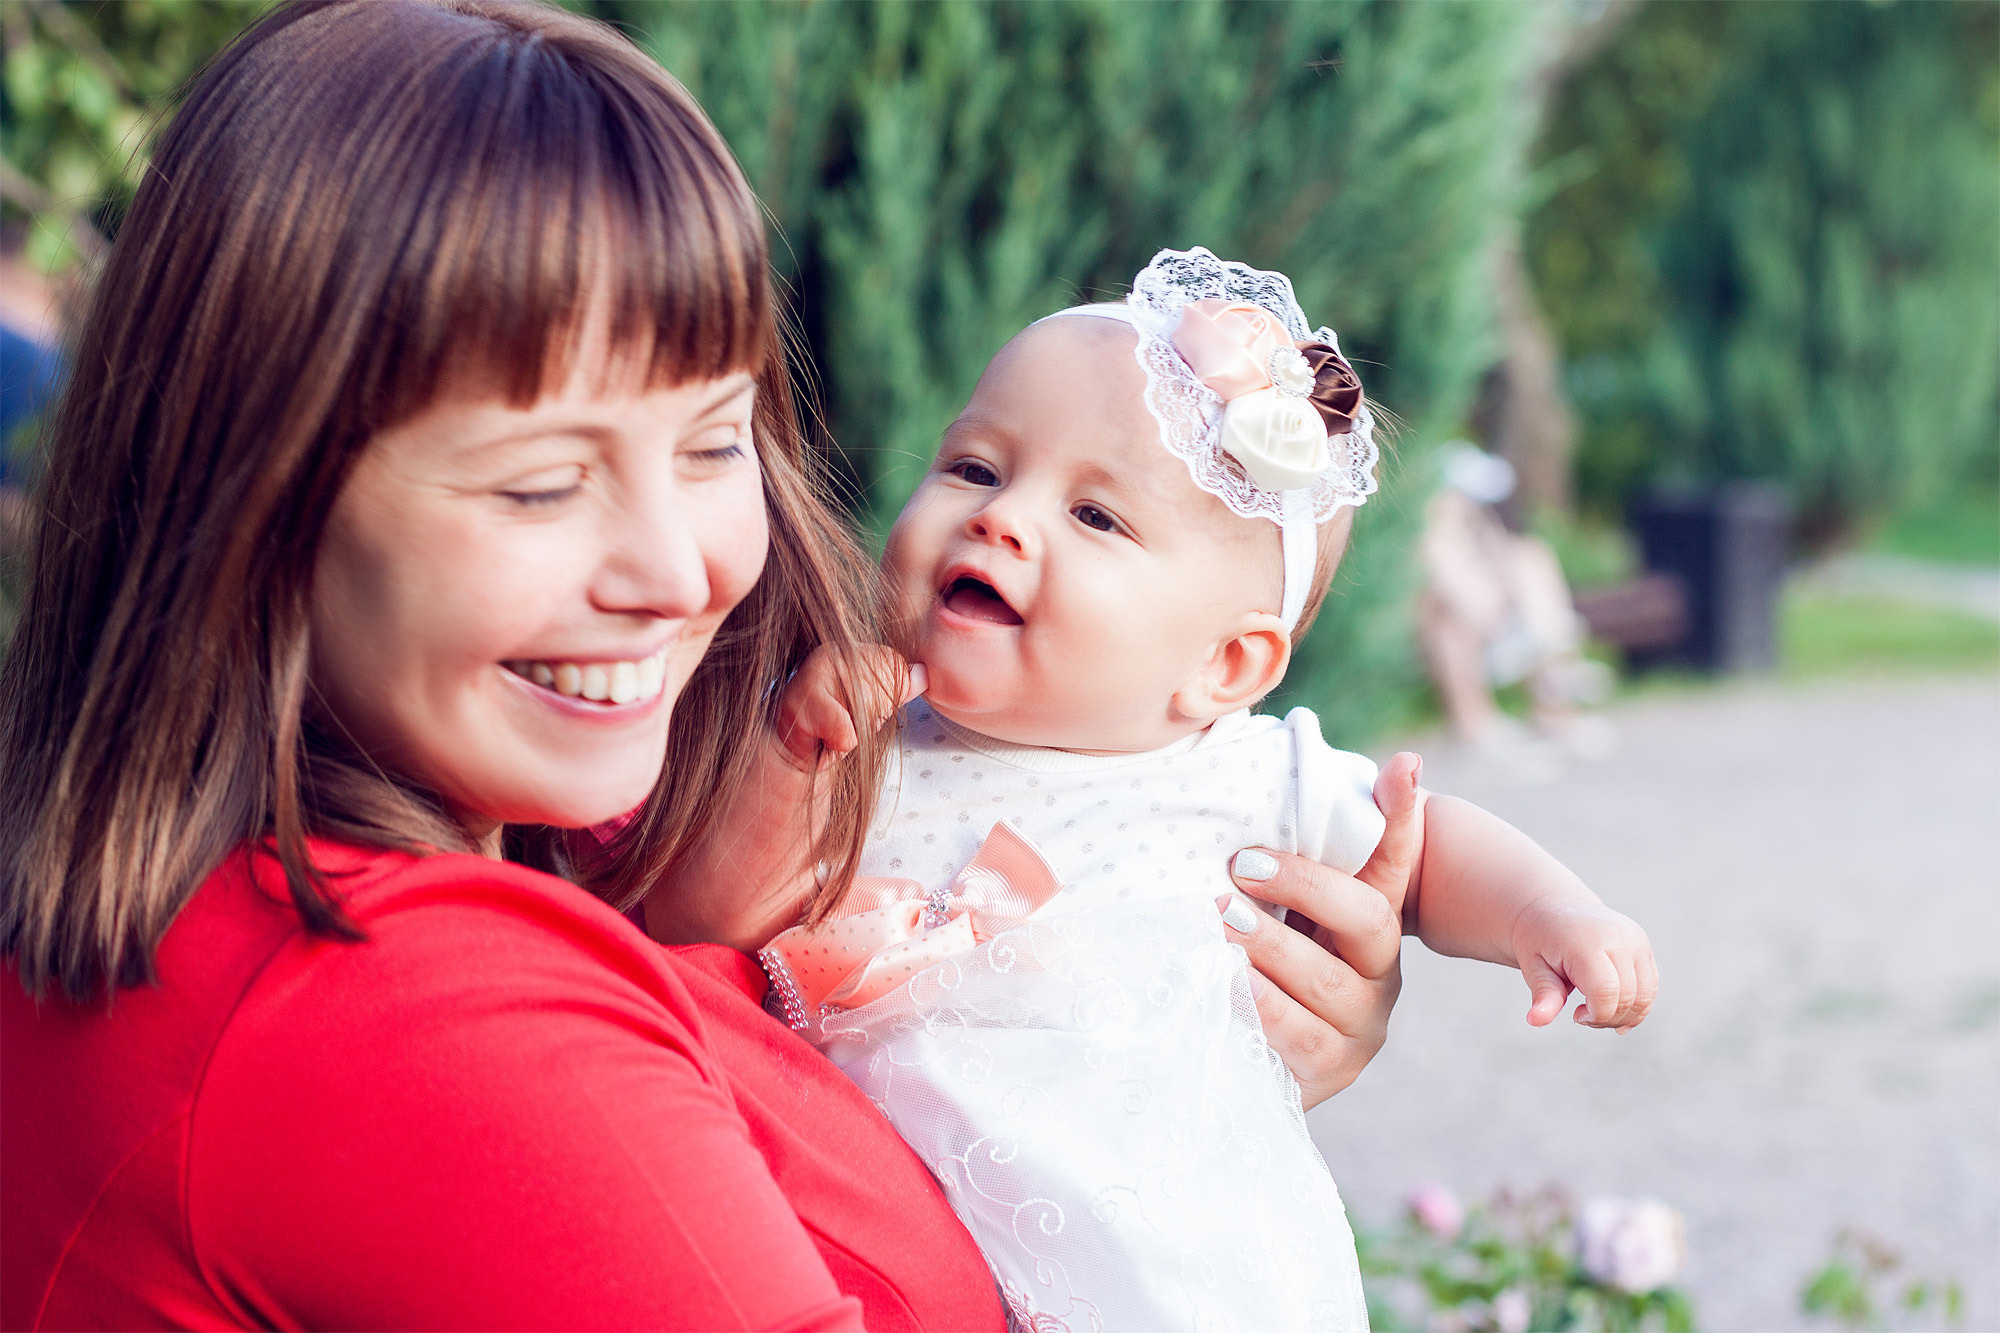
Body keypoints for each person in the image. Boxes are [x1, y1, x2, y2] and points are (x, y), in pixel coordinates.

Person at [0, 7, 1410, 1330]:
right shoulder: (410, 1025)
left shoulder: (579, 822)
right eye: (542, 483)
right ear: (246, 491)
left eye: (712, 442)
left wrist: (1164, 1070)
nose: (675, 572)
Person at [695, 250, 1660, 1331]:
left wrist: (1549, 912)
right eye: (973, 467)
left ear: (1223, 667)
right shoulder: (848, 738)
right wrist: (786, 761)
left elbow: (1427, 845)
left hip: (1182, 1279)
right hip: (899, 1261)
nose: (1000, 518)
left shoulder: (1235, 773)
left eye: (1094, 516)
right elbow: (705, 923)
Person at [1417, 441, 1616, 774]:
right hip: (1463, 628)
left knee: (1530, 557)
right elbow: (1446, 582)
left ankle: (1553, 692)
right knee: (1445, 610)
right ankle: (1483, 724)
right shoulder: (1431, 536)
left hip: (1496, 623)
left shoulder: (1478, 528)